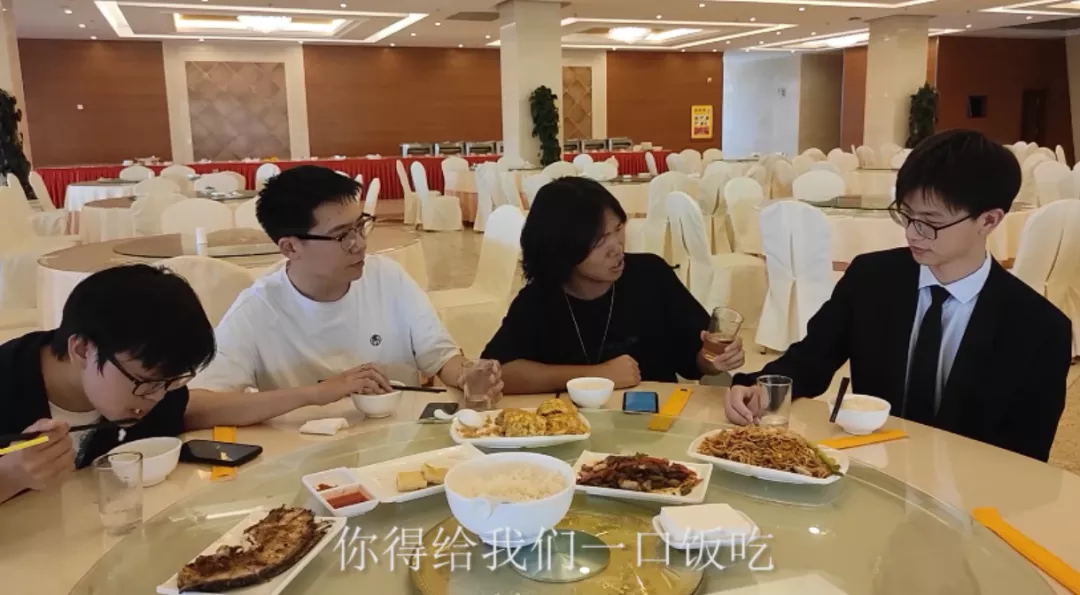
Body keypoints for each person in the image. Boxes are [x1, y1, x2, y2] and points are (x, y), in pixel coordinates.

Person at [725, 129, 1071, 461]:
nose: (912, 233)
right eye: (906, 215)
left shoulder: (1039, 328)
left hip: (970, 491)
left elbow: (1026, 456)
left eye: (930, 222)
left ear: (989, 220)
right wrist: (759, 386)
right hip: (875, 470)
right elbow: (812, 358)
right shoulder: (872, 278)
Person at [187, 166, 499, 426]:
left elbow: (440, 356)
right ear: (291, 247)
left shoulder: (386, 277)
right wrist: (316, 393)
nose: (359, 244)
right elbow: (195, 407)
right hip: (302, 458)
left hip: (396, 443)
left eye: (360, 226)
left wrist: (467, 374)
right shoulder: (259, 308)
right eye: (341, 235)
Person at [482, 176, 745, 394]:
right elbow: (497, 372)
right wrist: (597, 375)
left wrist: (716, 359)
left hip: (655, 422)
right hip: (571, 425)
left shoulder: (651, 275)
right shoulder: (541, 298)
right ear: (562, 248)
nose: (617, 247)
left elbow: (696, 361)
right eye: (599, 240)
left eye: (618, 229)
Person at [0, 265, 217, 503]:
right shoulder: (9, 380)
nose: (156, 397)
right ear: (82, 350)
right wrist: (10, 476)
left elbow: (189, 408)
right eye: (145, 382)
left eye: (171, 383)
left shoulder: (154, 381)